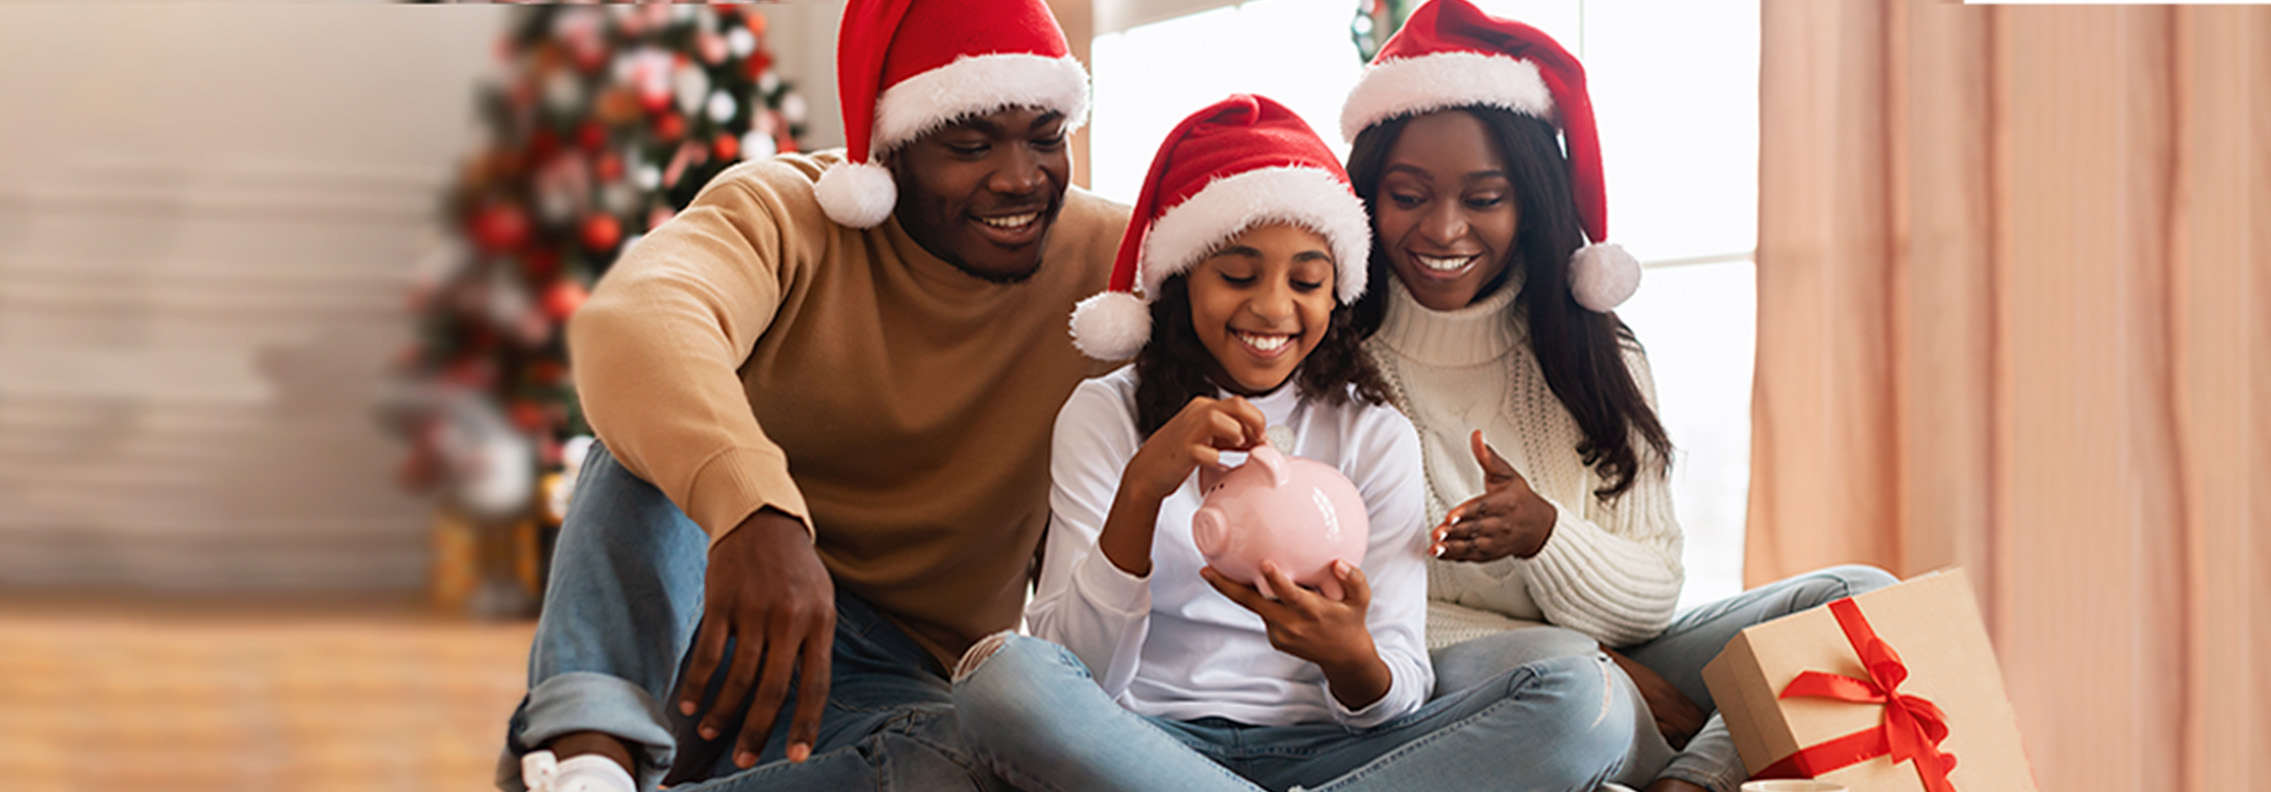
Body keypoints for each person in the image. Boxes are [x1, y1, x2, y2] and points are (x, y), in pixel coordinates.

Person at [496, 0, 1130, 790]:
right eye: (969, 145)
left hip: (884, 681)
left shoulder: (1108, 263)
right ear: (888, 151)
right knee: (643, 450)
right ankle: (592, 755)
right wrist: (754, 510)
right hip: (699, 610)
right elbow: (632, 320)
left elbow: (1277, 295)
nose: (1018, 177)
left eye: (1046, 136)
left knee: (962, 767)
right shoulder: (784, 210)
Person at [949, 94, 1641, 792]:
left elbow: (1397, 688)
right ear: (1183, 274)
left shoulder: (1372, 431)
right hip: (1142, 745)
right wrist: (1140, 489)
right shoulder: (1105, 413)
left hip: (1330, 753)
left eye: (1306, 280)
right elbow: (1075, 672)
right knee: (1002, 676)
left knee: (1586, 700)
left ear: (1335, 289)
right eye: (1238, 275)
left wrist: (1349, 656)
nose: (1274, 308)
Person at [1336, 3, 1899, 792]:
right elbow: (1359, 614)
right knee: (1578, 692)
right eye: (1408, 193)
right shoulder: (1334, 361)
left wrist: (1545, 535)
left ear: (1528, 199)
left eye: (1483, 198)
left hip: (1618, 659)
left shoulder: (1598, 351)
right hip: (1487, 682)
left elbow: (1652, 594)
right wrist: (1602, 666)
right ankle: (1669, 746)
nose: (1445, 228)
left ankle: (1685, 782)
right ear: (1368, 193)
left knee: (1862, 607)